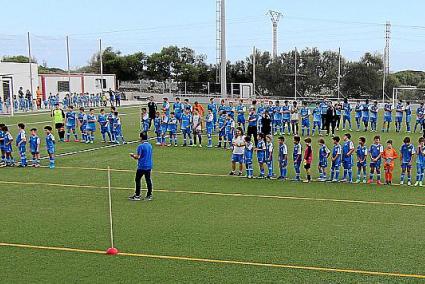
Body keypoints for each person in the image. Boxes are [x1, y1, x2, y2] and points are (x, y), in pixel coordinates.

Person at [129, 132, 153, 201]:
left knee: (137, 179)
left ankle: (137, 195)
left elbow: (138, 157)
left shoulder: (141, 146)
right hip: (149, 165)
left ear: (141, 137)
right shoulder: (149, 145)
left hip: (142, 166)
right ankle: (149, 195)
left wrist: (133, 155)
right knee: (148, 179)